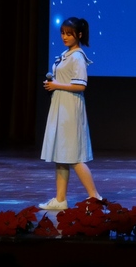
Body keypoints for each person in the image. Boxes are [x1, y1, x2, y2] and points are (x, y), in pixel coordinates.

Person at [39, 16, 102, 210]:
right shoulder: (66, 54)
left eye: (69, 34)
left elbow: (81, 85)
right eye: (63, 33)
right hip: (60, 105)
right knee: (61, 155)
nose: (64, 37)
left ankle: (95, 197)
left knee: (73, 156)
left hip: (70, 109)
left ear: (79, 35)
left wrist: (56, 85)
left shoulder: (77, 57)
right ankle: (60, 199)